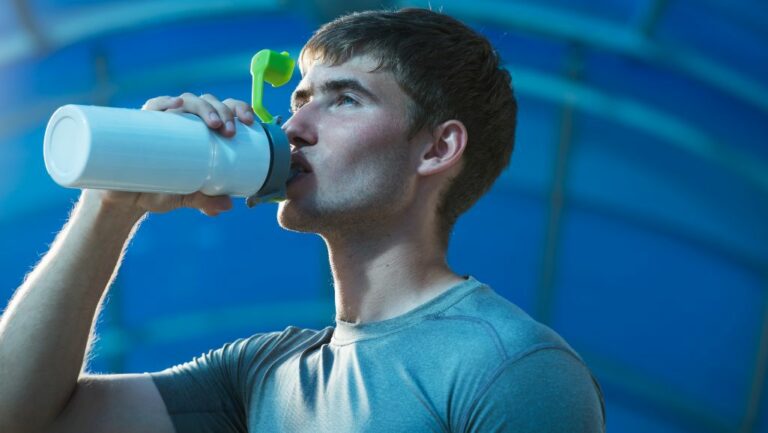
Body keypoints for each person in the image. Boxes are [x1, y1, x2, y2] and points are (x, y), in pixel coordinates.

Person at [0, 7, 605, 433]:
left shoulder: (512, 368)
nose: (293, 129)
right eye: (299, 99)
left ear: (437, 150)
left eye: (343, 99)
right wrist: (110, 207)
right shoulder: (262, 374)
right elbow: (19, 414)